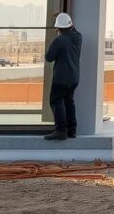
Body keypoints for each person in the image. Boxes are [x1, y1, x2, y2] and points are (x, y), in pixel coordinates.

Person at [44, 12, 81, 141]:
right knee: (69, 102)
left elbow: (49, 58)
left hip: (61, 78)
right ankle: (72, 130)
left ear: (58, 28)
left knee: (56, 101)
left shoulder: (59, 40)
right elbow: (73, 29)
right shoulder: (78, 37)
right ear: (70, 25)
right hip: (74, 77)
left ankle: (61, 130)